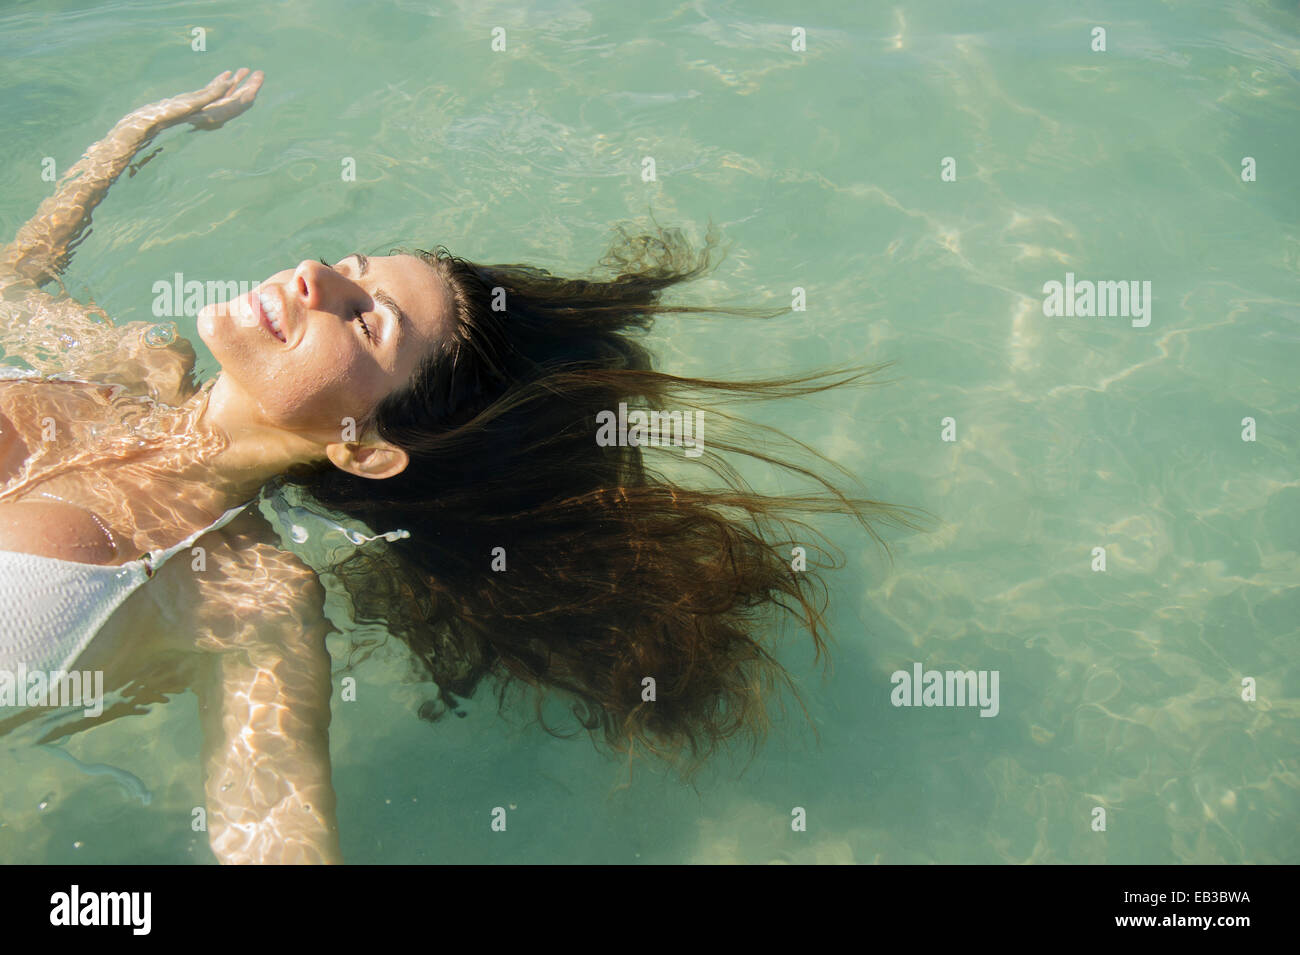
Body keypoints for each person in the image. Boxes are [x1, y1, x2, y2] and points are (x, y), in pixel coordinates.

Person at [0, 71, 916, 864]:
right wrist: (138, 130)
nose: (316, 273)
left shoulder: (247, 598)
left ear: (365, 447)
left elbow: (274, 835)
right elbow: (20, 276)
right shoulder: (121, 366)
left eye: (364, 319)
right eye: (353, 268)